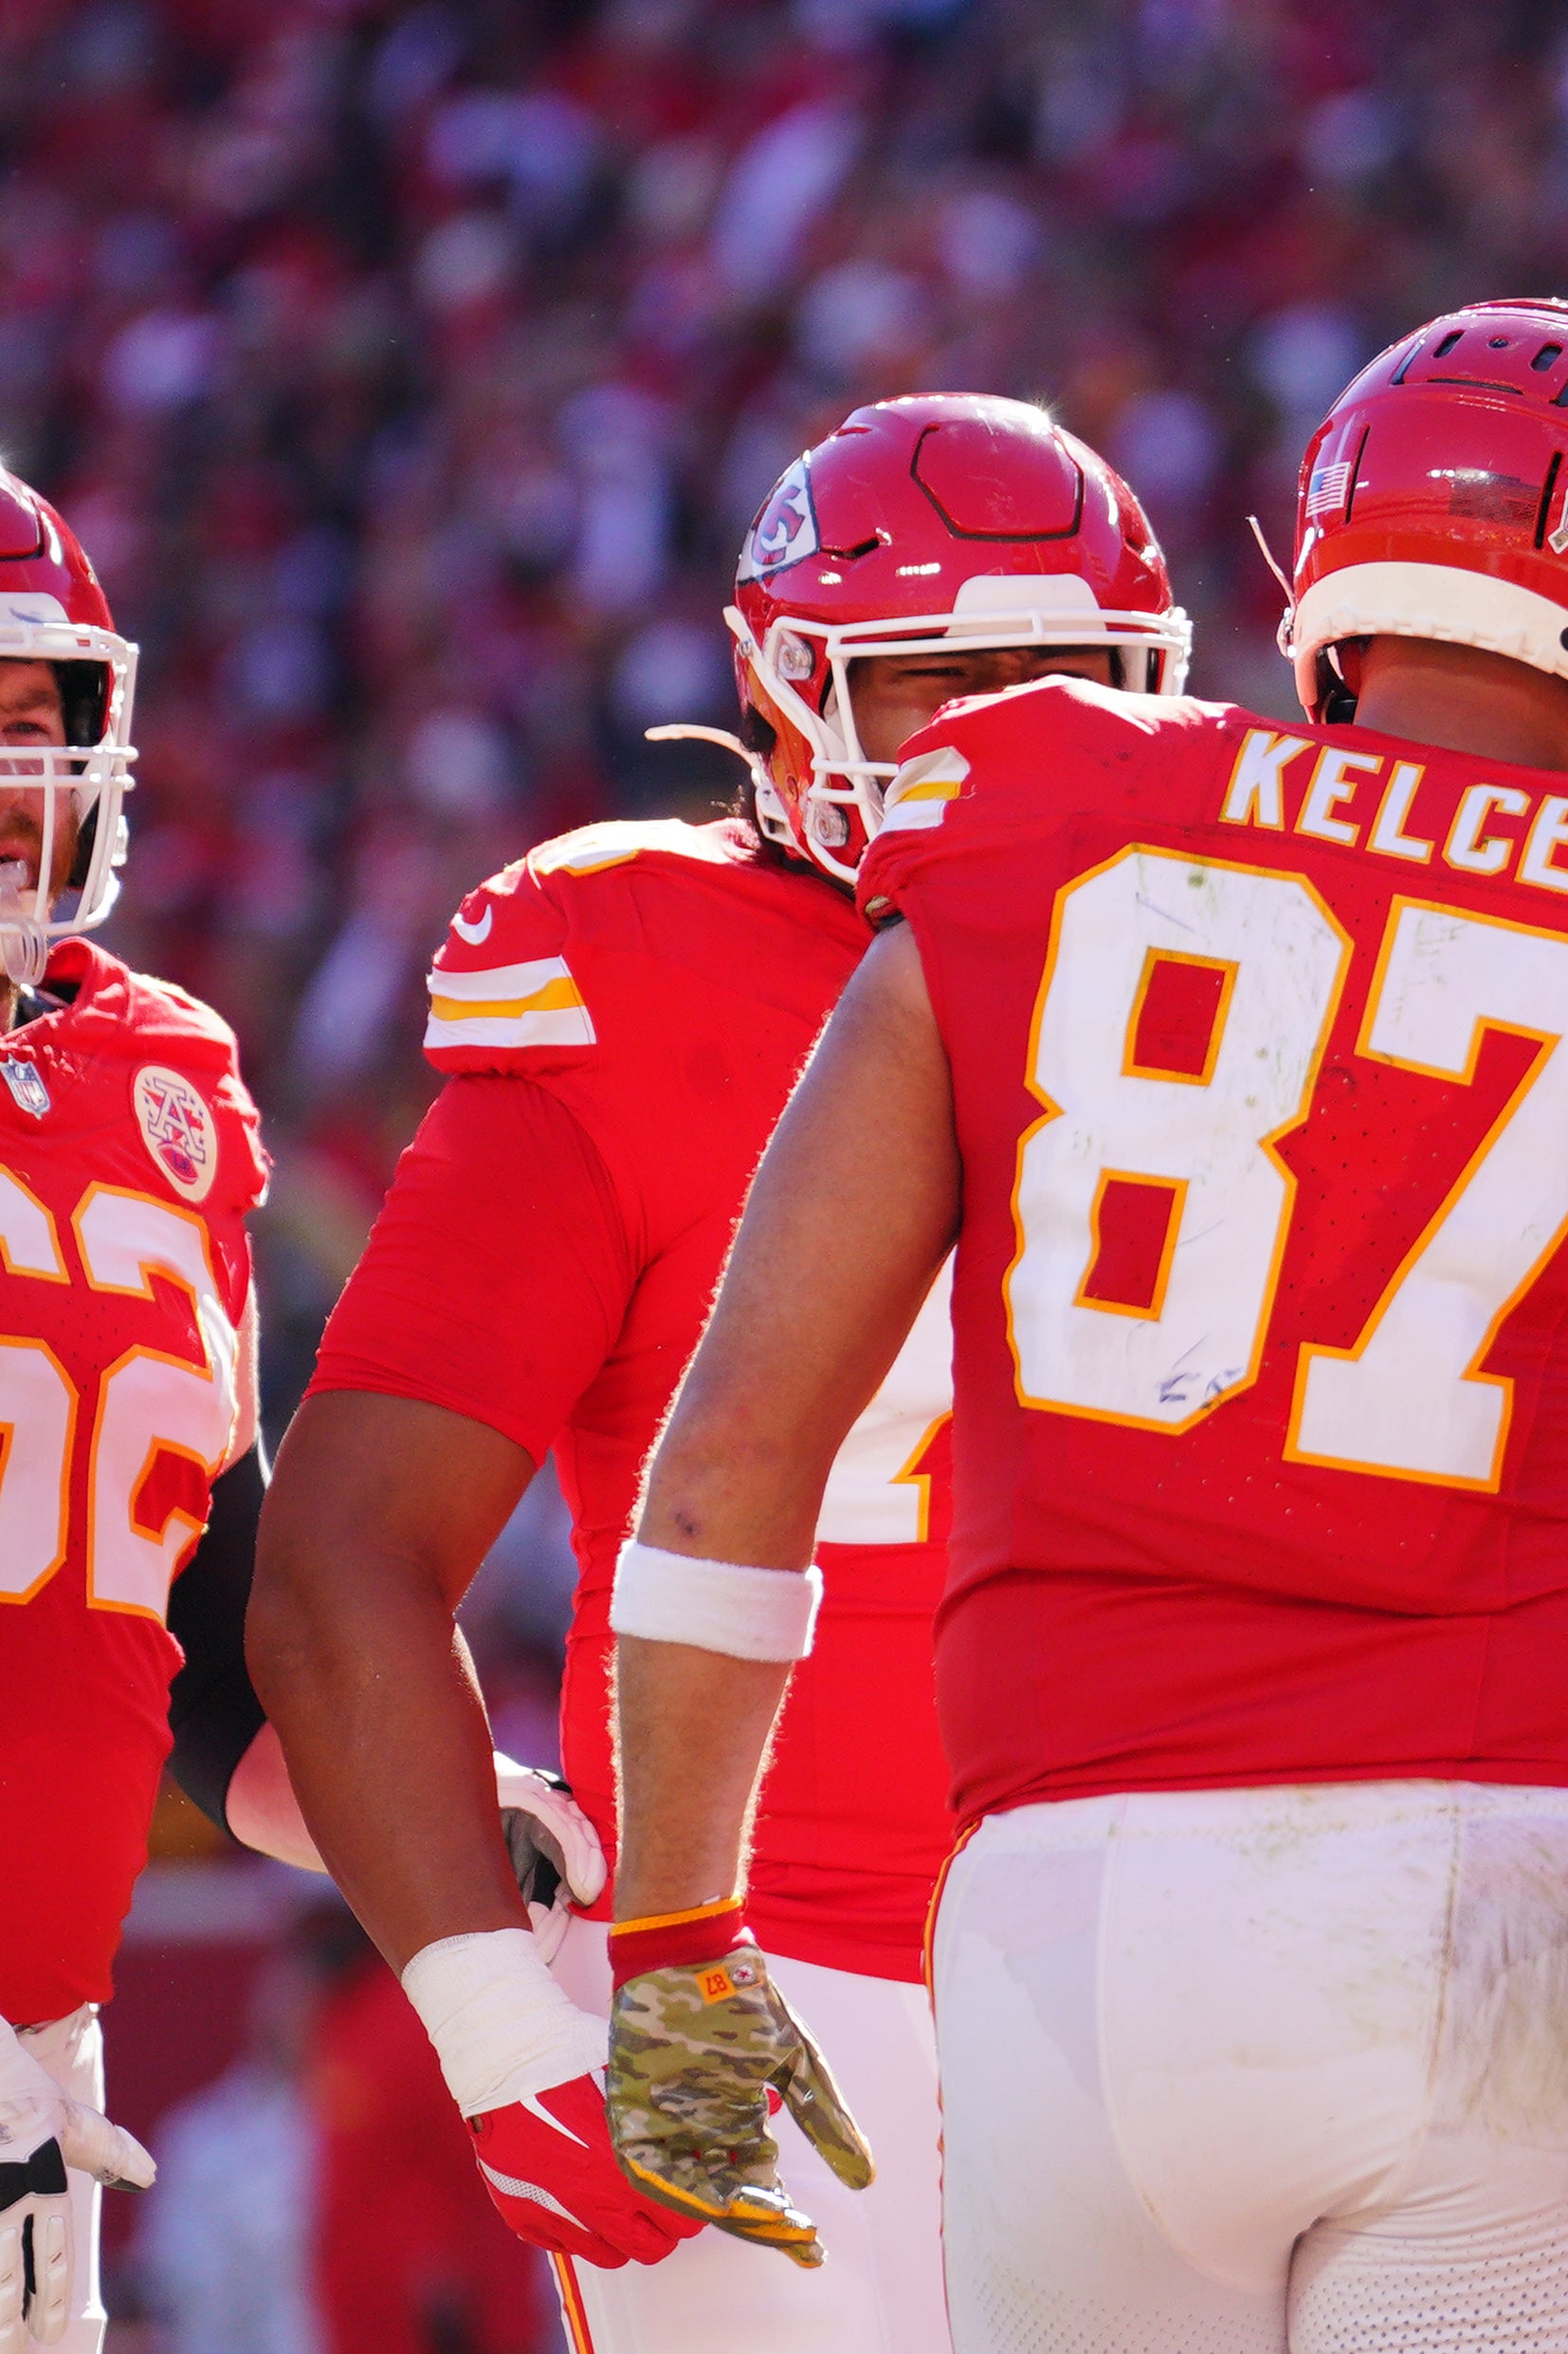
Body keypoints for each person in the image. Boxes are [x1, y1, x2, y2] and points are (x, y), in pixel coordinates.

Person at [592, 297, 1568, 2354]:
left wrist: (681, 1923)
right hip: (1493, 1908)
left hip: (1066, 1916)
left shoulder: (1033, 809)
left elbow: (732, 1454)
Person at [244, 394, 1187, 2354]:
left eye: (1068, 683)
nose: (1011, 736)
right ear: (783, 693)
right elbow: (346, 1557)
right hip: (763, 1985)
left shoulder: (1251, 943)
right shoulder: (638, 962)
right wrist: (505, 2030)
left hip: (1194, 1970)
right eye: (945, 680)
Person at [0, 465, 279, 2354]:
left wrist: (442, 1806)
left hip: (41, 2066)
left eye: (22, 722)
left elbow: (218, 1624)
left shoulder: (162, 1073)